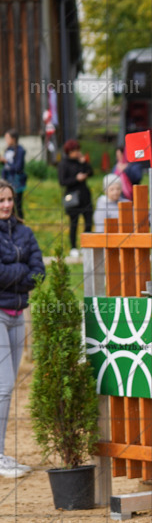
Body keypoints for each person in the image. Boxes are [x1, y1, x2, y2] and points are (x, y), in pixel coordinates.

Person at [0, 178, 45, 477]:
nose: (5, 205)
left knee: (8, 388)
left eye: (8, 200)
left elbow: (39, 273)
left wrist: (14, 274)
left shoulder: (25, 232)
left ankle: (2, 452)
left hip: (19, 313)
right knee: (3, 387)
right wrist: (21, 271)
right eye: (0, 201)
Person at [57, 140, 94, 255]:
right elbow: (62, 181)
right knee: (74, 223)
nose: (78, 152)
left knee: (88, 221)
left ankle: (86, 245)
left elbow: (91, 173)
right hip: (72, 197)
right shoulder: (63, 164)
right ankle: (73, 247)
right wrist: (76, 179)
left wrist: (84, 163)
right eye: (75, 150)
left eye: (78, 150)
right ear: (69, 151)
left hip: (85, 196)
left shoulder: (80, 161)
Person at [3, 130, 27, 219]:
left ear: (13, 139)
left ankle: (20, 225)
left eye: (7, 138)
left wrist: (6, 161)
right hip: (7, 180)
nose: (6, 140)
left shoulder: (20, 150)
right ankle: (10, 224)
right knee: (8, 205)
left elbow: (19, 167)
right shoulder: (8, 149)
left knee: (17, 204)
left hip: (17, 181)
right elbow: (5, 167)